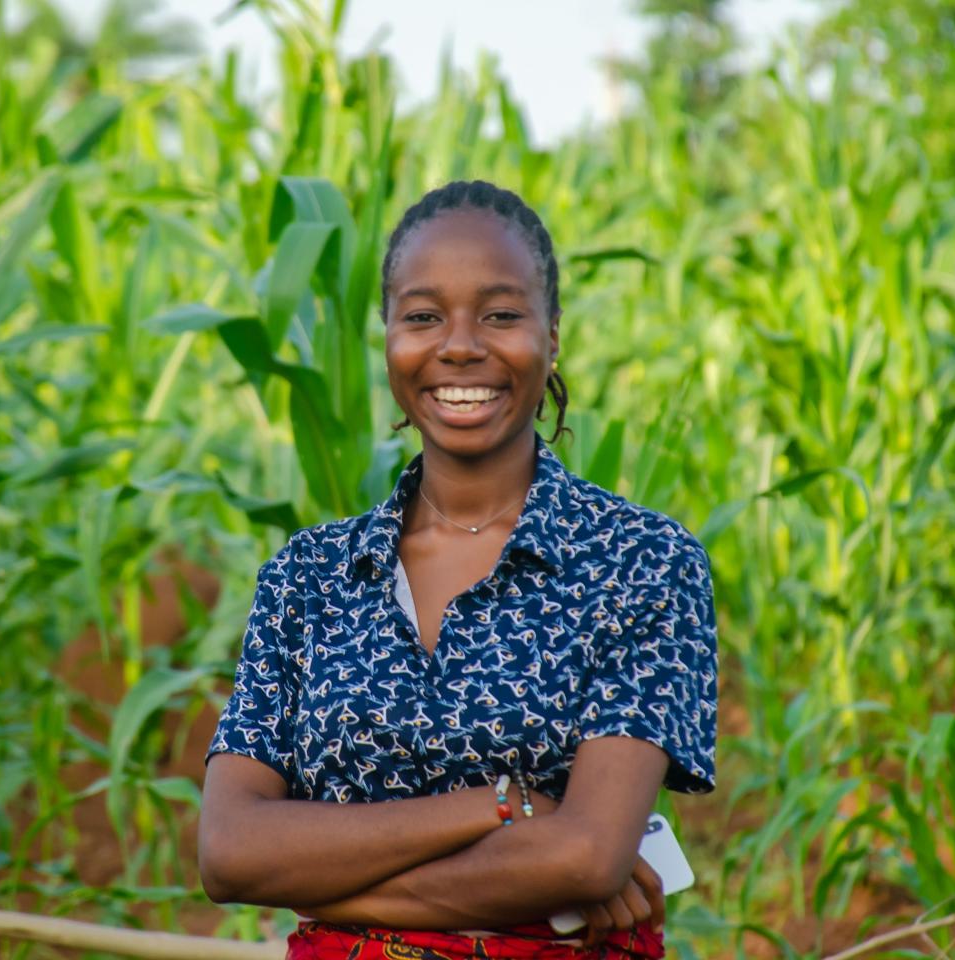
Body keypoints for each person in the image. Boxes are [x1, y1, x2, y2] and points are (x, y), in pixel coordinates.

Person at [198, 180, 718, 959]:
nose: (461, 345)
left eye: (502, 315)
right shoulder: (306, 579)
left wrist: (317, 878)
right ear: (388, 339)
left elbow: (587, 855)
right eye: (423, 316)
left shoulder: (641, 563)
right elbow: (231, 852)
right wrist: (502, 806)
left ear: (553, 335)